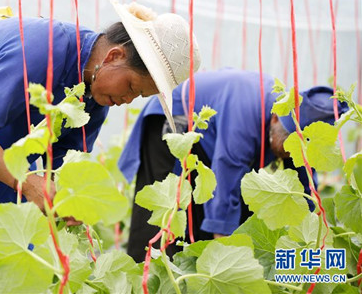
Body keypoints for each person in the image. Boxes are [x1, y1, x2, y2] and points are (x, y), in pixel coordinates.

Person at [0, 0, 201, 266]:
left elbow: (59, 165)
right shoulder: (40, 49)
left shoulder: (95, 96)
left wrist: (66, 199)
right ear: (114, 56)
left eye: (137, 97)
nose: (127, 100)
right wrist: (30, 184)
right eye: (130, 86)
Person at [119, 68, 349, 262]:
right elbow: (226, 170)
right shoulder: (246, 110)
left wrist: (316, 237)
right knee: (165, 209)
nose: (290, 153)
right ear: (276, 119)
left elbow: (306, 186)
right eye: (288, 144)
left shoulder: (294, 124)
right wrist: (225, 253)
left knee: (223, 216)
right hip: (174, 118)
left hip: (212, 139)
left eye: (299, 149)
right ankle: (147, 280)